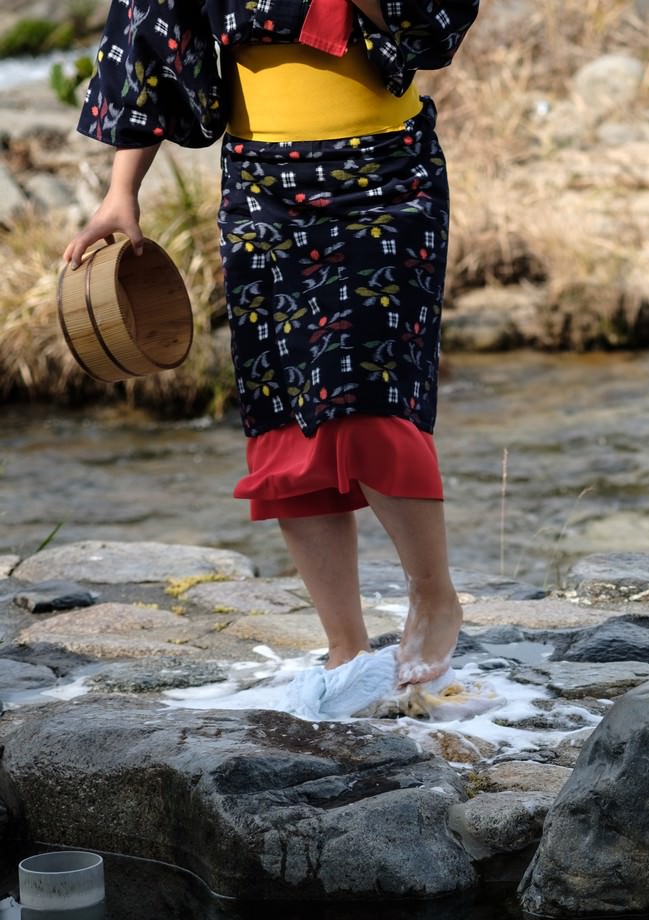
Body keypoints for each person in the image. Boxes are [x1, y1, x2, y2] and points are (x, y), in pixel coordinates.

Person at [63, 0, 481, 694]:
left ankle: (434, 598)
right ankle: (344, 646)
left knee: (374, 399)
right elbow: (147, 44)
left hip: (384, 177)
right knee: (287, 419)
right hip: (263, 187)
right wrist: (120, 191)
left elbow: (433, 27)